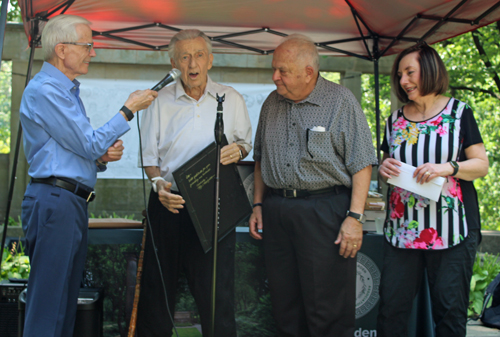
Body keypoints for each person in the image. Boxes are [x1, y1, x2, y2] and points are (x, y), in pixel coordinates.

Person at [19, 14, 157, 337]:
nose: (92, 53)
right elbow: (89, 141)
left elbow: (71, 149)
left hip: (67, 202)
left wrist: (98, 158)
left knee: (63, 306)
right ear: (62, 49)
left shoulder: (64, 91)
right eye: (88, 45)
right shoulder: (46, 90)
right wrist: (129, 109)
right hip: (56, 202)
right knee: (49, 306)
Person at [249, 34, 377, 337]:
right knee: (284, 304)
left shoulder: (340, 101)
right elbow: (259, 158)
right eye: (274, 68)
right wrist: (257, 204)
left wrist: (354, 218)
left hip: (325, 210)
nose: (274, 76)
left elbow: (362, 162)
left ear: (309, 72)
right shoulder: (271, 102)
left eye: (283, 70)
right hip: (277, 209)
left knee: (327, 307)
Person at [136, 29, 252, 337]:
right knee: (157, 291)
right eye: (184, 57)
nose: (192, 63)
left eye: (199, 55)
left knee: (217, 292)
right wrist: (158, 184)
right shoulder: (158, 101)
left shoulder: (232, 98)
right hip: (168, 203)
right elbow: (150, 160)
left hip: (214, 206)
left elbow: (245, 144)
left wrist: (238, 149)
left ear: (210, 60)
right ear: (173, 62)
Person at [376, 42, 489, 337]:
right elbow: (386, 166)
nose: (403, 81)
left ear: (429, 70)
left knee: (450, 313)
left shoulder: (459, 113)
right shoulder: (394, 121)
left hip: (452, 230)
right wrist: (383, 169)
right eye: (400, 75)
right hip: (401, 231)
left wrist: (448, 167)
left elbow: (481, 165)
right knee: (391, 310)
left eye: (410, 72)